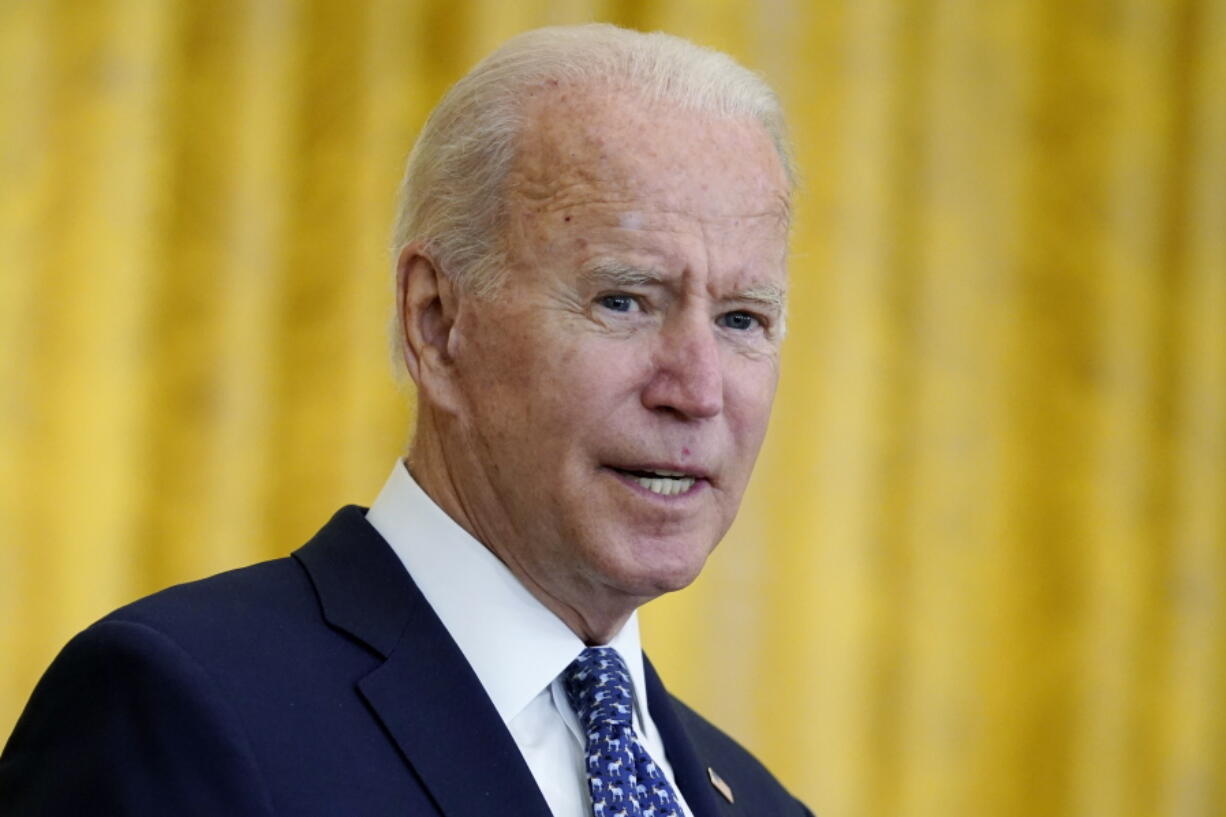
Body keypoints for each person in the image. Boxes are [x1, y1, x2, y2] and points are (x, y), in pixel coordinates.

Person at [0, 23, 811, 817]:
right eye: (624, 301)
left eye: (742, 319)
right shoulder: (180, 709)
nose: (697, 390)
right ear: (435, 320)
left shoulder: (760, 801)